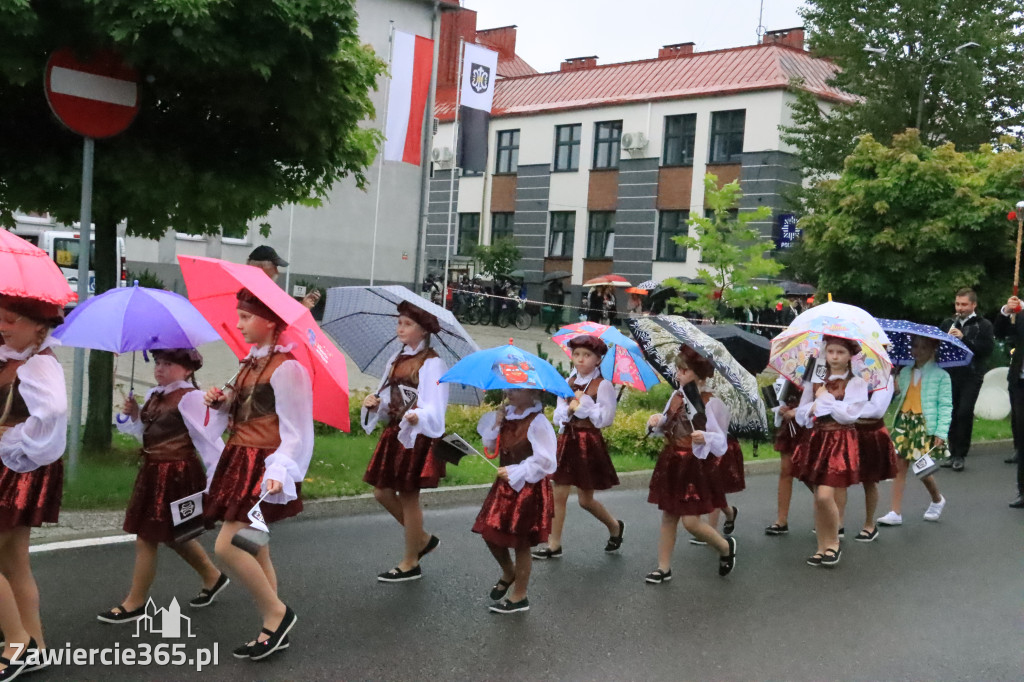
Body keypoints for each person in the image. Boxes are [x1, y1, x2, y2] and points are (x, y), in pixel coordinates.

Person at [203, 288, 313, 661]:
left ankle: (279, 615)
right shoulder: (248, 363)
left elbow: (296, 430)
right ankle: (271, 623)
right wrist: (222, 403)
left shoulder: (288, 368)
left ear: (269, 322)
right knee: (253, 545)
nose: (239, 323)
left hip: (264, 464)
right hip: (239, 460)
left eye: (246, 317)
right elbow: (236, 417)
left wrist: (282, 467)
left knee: (228, 546)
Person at [98, 349, 228, 625]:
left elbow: (210, 439)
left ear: (187, 370)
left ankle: (135, 602)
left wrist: (216, 480)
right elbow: (147, 434)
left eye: (168, 364)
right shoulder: (155, 395)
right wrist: (135, 416)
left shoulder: (190, 398)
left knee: (147, 536)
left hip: (177, 473)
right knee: (172, 533)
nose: (160, 368)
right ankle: (213, 576)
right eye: (158, 363)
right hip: (153, 471)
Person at [0, 295, 67, 677]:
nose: (4, 326)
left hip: (17, 468)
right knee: (14, 561)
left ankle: (17, 642)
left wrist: (14, 438)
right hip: (16, 466)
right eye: (1, 319)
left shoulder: (39, 363)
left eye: (12, 320)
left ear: (39, 327)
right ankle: (35, 644)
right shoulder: (15, 355)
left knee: (10, 559)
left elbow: (55, 411)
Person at [361, 301, 449, 582]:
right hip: (394, 433)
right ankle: (421, 538)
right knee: (381, 492)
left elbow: (435, 405)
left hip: (416, 436)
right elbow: (389, 398)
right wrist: (375, 405)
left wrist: (419, 416)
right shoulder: (395, 358)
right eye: (399, 322)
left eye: (407, 324)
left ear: (423, 330)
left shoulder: (432, 363)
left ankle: (411, 561)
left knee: (409, 498)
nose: (400, 328)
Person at [644, 346, 737, 584]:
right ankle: (663, 567)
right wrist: (656, 421)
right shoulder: (677, 396)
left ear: (698, 373)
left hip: (694, 464)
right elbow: (667, 422)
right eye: (678, 369)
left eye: (683, 370)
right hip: (673, 460)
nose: (678, 374)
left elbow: (720, 439)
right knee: (669, 515)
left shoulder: (710, 402)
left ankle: (725, 546)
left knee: (692, 522)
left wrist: (705, 437)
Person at [533, 337, 623, 560]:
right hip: (567, 440)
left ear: (598, 359)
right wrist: (567, 410)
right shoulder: (568, 381)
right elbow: (558, 415)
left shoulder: (602, 385)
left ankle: (614, 526)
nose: (581, 359)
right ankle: (554, 544)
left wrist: (587, 407)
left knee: (585, 500)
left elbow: (606, 419)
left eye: (587, 355)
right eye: (577, 354)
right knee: (558, 493)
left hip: (588, 442)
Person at [473, 388, 557, 614]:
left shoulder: (537, 422)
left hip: (527, 488)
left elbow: (546, 462)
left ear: (533, 394)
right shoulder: (506, 416)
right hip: (504, 486)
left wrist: (518, 471)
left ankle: (520, 596)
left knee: (520, 543)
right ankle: (509, 571)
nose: (509, 392)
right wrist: (496, 424)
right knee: (489, 532)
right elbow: (491, 447)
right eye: (508, 387)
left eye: (517, 388)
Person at [792, 336, 867, 568]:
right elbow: (802, 412)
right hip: (817, 439)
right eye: (831, 352)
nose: (834, 357)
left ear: (849, 357)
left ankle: (834, 542)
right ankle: (821, 545)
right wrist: (813, 406)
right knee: (818, 498)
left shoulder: (855, 382)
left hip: (840, 441)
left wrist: (826, 399)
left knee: (826, 494)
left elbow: (849, 414)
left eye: (840, 353)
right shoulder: (817, 378)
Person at [877, 336, 951, 526]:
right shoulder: (906, 371)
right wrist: (895, 386)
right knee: (899, 466)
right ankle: (895, 511)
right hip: (905, 421)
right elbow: (898, 396)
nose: (917, 351)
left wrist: (941, 432)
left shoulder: (941, 376)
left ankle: (937, 498)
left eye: (924, 347)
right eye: (915, 346)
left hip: (925, 424)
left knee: (922, 468)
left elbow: (945, 405)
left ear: (933, 349)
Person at [938, 288, 994, 471]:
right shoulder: (947, 323)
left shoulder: (983, 324)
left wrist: (964, 339)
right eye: (957, 304)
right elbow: (937, 347)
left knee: (964, 412)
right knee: (951, 413)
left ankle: (961, 454)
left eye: (964, 304)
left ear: (973, 305)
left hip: (972, 374)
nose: (960, 308)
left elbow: (985, 350)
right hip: (950, 373)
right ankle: (952, 452)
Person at [851, 375, 898, 541]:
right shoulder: (852, 374)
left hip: (872, 433)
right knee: (838, 479)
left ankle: (869, 525)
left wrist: (848, 409)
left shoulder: (884, 378)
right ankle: (837, 524)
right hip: (849, 430)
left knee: (869, 480)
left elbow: (877, 410)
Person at [765, 378, 810, 535]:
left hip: (808, 426)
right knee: (786, 470)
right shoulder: (787, 370)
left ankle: (829, 514)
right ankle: (781, 520)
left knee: (809, 474)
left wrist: (797, 411)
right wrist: (780, 409)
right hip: (789, 425)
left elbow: (821, 401)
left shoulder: (816, 373)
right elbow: (778, 396)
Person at [992, 295, 1024, 507]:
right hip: (1020, 382)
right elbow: (999, 333)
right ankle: (1023, 491)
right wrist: (1006, 311)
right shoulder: (1020, 310)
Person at [246, 245, 321, 310]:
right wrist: (304, 307)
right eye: (274, 267)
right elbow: (277, 321)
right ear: (261, 268)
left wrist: (303, 304)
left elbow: (284, 310)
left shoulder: (264, 292)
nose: (277, 272)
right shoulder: (254, 295)